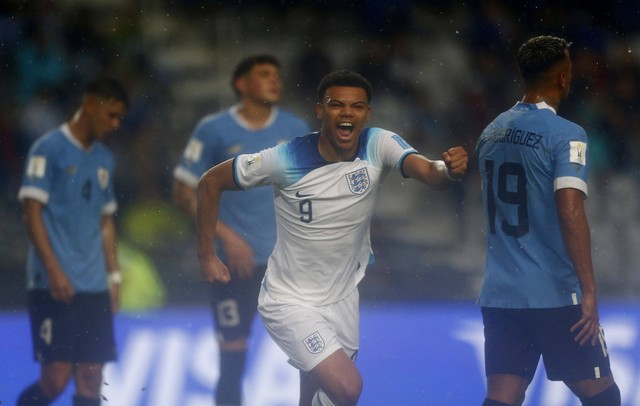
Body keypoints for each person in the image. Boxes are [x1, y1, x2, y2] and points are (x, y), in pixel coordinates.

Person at [196, 69, 468, 406]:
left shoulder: (377, 143)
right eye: (337, 105)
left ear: (367, 113)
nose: (347, 113)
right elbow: (210, 181)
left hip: (342, 298)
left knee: (315, 397)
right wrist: (207, 254)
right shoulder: (286, 158)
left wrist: (449, 171)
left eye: (356, 107)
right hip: (290, 301)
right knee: (347, 388)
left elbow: (429, 172)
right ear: (320, 111)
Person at [475, 35, 621, 406]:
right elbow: (569, 208)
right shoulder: (567, 135)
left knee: (503, 395)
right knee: (604, 397)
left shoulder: (491, 131)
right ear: (562, 78)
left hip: (501, 293)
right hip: (554, 293)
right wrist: (588, 289)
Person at [172, 54, 310, 405]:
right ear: (241, 84)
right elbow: (184, 191)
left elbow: (313, 192)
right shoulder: (213, 129)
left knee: (312, 358)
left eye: (277, 75)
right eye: (264, 74)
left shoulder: (295, 129)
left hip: (287, 264)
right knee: (232, 359)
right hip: (233, 265)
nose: (274, 81)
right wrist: (227, 236)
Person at [16, 78, 128, 406]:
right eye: (112, 115)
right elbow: (31, 212)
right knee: (55, 379)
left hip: (93, 286)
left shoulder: (105, 158)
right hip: (53, 284)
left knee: (92, 379)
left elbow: (106, 220)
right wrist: (53, 269)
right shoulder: (48, 148)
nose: (116, 124)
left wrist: (114, 276)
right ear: (91, 104)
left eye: (121, 118)